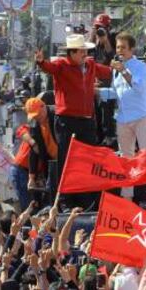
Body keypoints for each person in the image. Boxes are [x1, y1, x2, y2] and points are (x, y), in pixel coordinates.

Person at [35, 34, 112, 209]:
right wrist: (40, 62)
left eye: (86, 50)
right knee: (67, 160)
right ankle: (65, 201)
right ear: (73, 52)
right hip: (67, 121)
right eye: (82, 50)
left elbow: (107, 71)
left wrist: (119, 66)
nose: (85, 53)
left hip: (87, 121)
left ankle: (86, 199)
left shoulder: (90, 64)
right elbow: (49, 67)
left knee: (87, 159)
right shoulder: (62, 65)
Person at [98, 32, 146, 199]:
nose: (119, 50)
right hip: (123, 118)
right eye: (118, 47)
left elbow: (140, 88)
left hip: (141, 116)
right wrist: (97, 91)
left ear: (132, 49)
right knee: (126, 157)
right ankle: (126, 194)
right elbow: (116, 92)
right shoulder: (116, 70)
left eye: (123, 47)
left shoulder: (141, 67)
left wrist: (124, 71)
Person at [90, 13, 117, 147]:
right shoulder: (93, 41)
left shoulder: (112, 38)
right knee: (95, 114)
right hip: (94, 82)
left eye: (101, 28)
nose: (99, 30)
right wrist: (93, 36)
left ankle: (109, 140)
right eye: (97, 27)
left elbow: (112, 56)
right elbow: (88, 58)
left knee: (107, 115)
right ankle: (97, 139)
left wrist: (105, 40)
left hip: (108, 82)